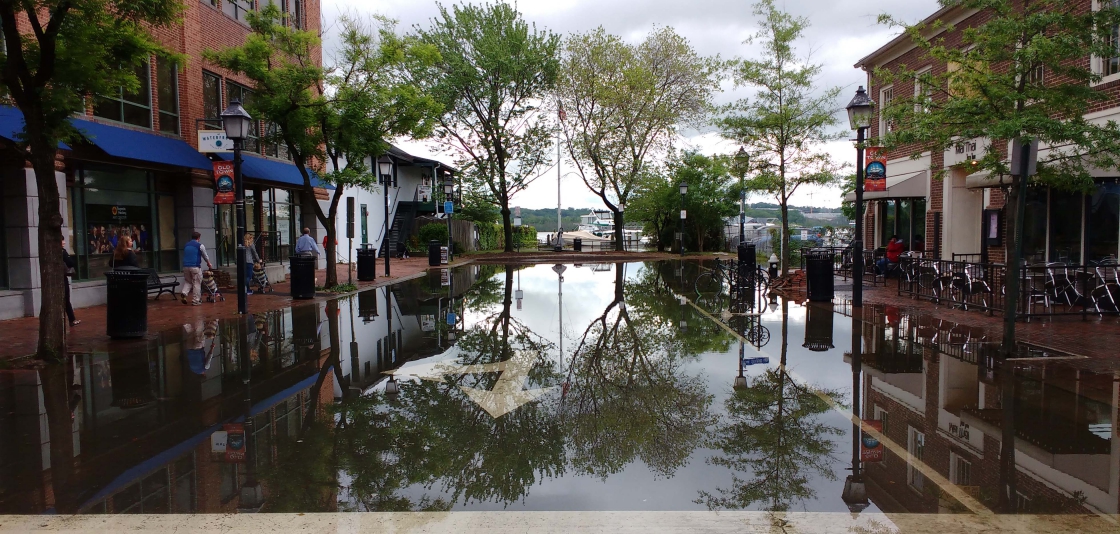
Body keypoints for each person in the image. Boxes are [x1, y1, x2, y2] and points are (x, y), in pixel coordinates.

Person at [180, 231, 213, 306]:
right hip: (195, 266)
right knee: (197, 283)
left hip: (185, 266)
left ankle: (184, 293)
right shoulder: (200, 245)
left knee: (188, 281)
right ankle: (196, 300)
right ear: (198, 238)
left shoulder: (186, 245)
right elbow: (205, 256)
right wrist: (209, 263)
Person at [62, 237, 79, 326]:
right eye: (62, 240)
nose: (64, 242)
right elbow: (70, 263)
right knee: (66, 299)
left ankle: (71, 319)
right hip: (62, 278)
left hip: (58, 278)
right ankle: (72, 319)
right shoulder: (62, 252)